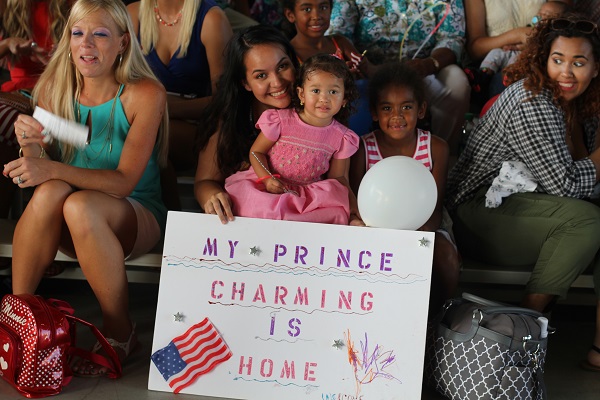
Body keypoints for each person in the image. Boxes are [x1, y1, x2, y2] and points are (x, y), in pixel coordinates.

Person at [3, 0, 168, 376]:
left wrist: (49, 167)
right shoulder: (53, 88)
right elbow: (40, 159)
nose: (86, 44)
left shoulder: (145, 93)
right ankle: (19, 317)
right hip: (68, 216)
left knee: (78, 203)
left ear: (124, 42)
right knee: (52, 194)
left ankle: (120, 330)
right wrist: (29, 142)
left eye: (100, 34)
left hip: (131, 211)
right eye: (78, 33)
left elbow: (124, 181)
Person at [446, 15, 600, 371]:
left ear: (595, 68)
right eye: (557, 59)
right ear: (544, 60)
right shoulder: (533, 101)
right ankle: (517, 335)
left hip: (530, 204)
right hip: (479, 211)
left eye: (578, 62)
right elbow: (569, 187)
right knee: (586, 221)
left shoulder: (584, 105)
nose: (566, 72)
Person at [350, 62, 460, 313]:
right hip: (373, 227)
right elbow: (358, 203)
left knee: (444, 255)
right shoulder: (361, 148)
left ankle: (436, 319)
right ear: (375, 113)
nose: (397, 116)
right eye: (387, 108)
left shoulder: (436, 148)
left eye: (406, 107)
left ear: (421, 110)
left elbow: (435, 205)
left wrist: (416, 237)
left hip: (427, 224)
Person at [224, 54, 360, 225]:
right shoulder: (280, 120)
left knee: (333, 214)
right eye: (316, 90)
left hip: (308, 196)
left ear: (344, 99)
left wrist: (353, 209)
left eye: (333, 92)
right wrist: (266, 179)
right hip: (271, 186)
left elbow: (339, 179)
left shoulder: (342, 137)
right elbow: (256, 152)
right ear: (301, 94)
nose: (324, 98)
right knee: (259, 208)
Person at [127, 0, 232, 210]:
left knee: (150, 141)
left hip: (198, 123)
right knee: (140, 138)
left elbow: (225, 101)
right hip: (145, 118)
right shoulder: (133, 13)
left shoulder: (212, 19)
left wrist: (164, 108)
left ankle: (169, 227)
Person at [327, 0, 470, 150]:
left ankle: (443, 152)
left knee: (456, 83)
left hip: (424, 69)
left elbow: (452, 38)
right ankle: (357, 155)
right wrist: (360, 63)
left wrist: (428, 64)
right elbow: (337, 34)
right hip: (368, 71)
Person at [194, 25, 299, 224]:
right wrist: (213, 196)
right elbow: (204, 182)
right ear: (246, 83)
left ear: (294, 64)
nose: (277, 82)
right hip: (249, 222)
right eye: (261, 75)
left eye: (282, 66)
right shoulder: (230, 117)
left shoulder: (317, 107)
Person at [0, 0, 71, 218]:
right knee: (10, 129)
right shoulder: (8, 4)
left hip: (62, 93)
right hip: (19, 94)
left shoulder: (73, 4)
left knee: (12, 130)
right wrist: (7, 44)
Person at [464, 0, 569, 99]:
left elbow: (566, 32)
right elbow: (475, 50)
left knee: (518, 78)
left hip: (537, 57)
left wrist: (535, 44)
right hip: (497, 59)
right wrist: (518, 35)